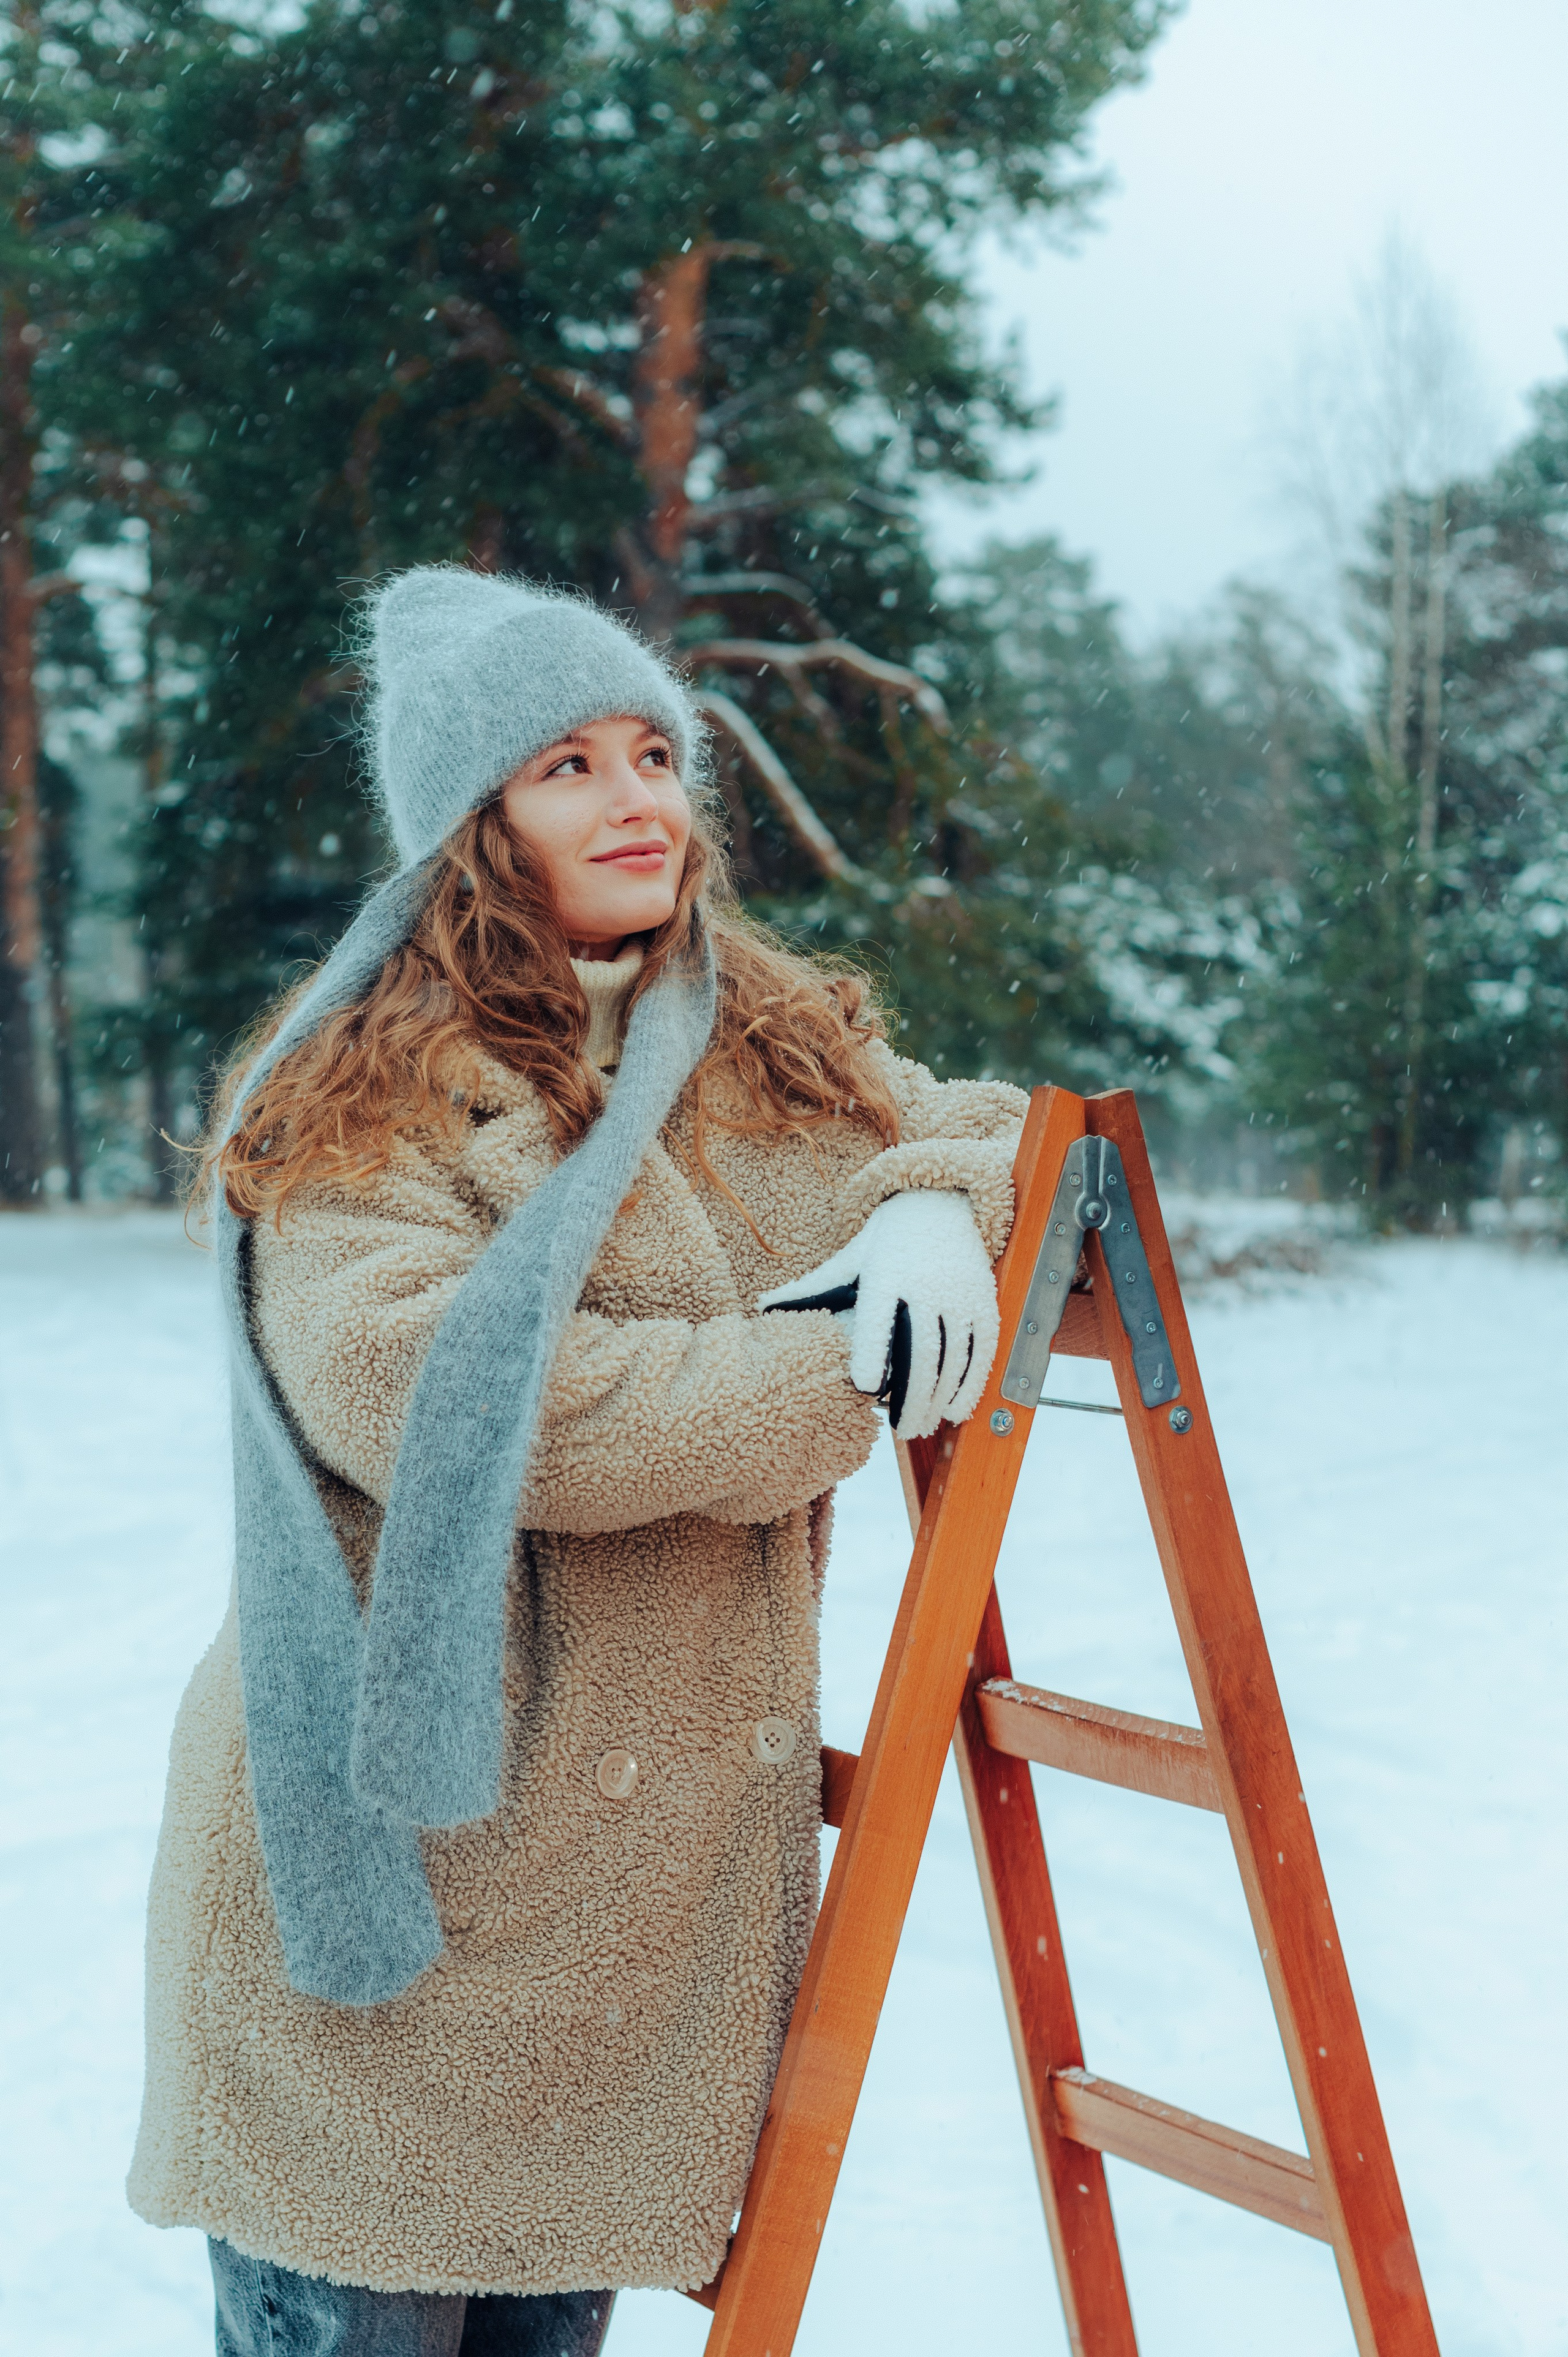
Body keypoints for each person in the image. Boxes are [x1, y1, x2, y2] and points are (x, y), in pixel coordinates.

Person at [127, 567, 1026, 2355]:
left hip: (607, 1948)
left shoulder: (752, 1036)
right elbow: (438, 1392)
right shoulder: (366, 1082)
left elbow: (983, 1121)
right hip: (399, 1893)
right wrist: (818, 1373)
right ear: (476, 829)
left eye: (656, 755)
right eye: (569, 766)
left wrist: (934, 1208)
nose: (640, 802)